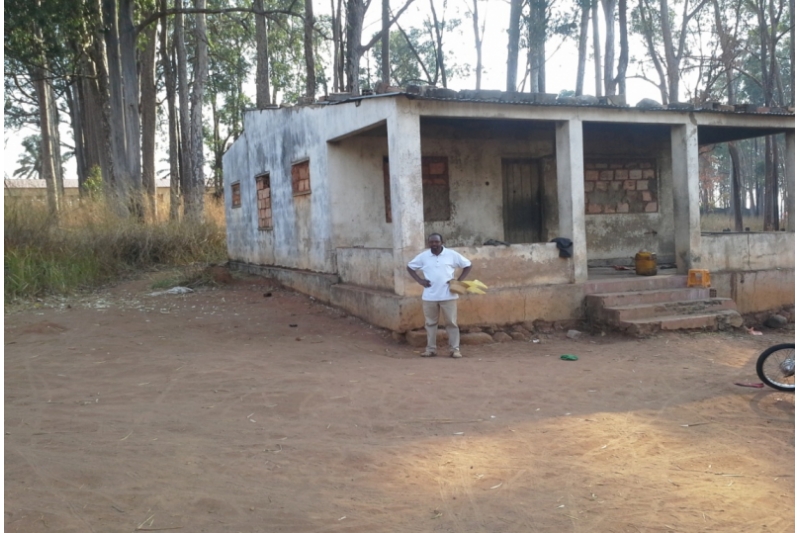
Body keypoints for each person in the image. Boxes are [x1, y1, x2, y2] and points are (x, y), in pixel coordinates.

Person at [407, 233, 472, 358]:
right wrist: (420, 281)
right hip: (429, 296)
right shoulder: (423, 256)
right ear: (428, 243)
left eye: (436, 242)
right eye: (431, 242)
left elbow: (468, 265)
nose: (434, 244)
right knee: (430, 324)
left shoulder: (451, 255)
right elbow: (410, 267)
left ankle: (455, 349)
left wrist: (458, 281)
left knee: (451, 323)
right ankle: (431, 349)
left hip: (449, 295)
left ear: (442, 242)